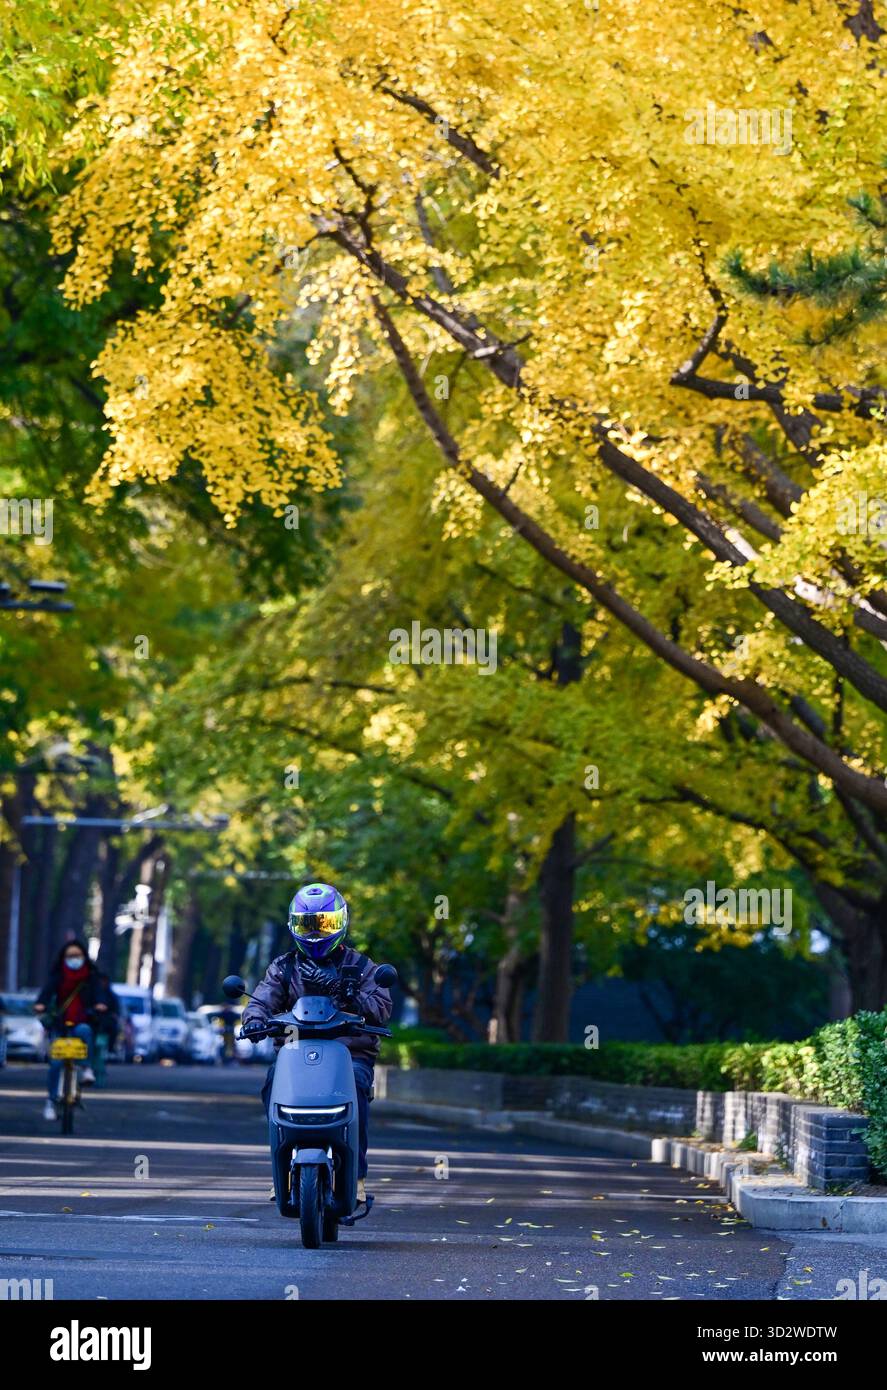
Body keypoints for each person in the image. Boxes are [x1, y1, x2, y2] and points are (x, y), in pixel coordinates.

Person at [242, 882, 392, 1204]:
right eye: (308, 925)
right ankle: (280, 1170)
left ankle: (358, 1177)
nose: (315, 934)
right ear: (294, 926)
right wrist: (253, 1019)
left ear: (340, 922)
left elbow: (381, 1008)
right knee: (272, 1083)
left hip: (349, 1052)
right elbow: (261, 999)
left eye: (323, 924)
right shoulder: (283, 967)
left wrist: (345, 989)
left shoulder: (362, 966)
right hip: (296, 1051)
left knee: (356, 1085)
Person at [34, 939, 108, 1120]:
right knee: (56, 1064)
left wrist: (100, 1005)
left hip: (82, 1022)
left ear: (84, 957)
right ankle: (51, 1101)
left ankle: (86, 1068)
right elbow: (45, 994)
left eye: (77, 956)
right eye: (70, 956)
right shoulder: (58, 976)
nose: (74, 959)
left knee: (85, 1031)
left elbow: (100, 995)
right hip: (60, 1025)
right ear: (64, 958)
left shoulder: (91, 977)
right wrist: (41, 1005)